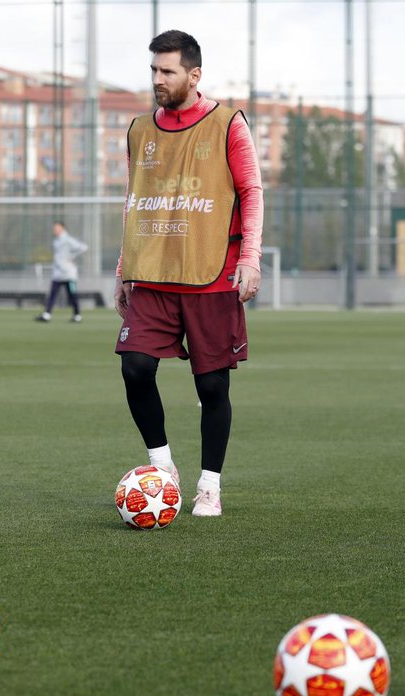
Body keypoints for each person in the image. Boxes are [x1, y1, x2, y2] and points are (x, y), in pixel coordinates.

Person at [113, 30, 263, 518]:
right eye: (153, 70)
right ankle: (162, 467)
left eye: (167, 71)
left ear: (194, 75)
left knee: (212, 386)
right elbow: (135, 201)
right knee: (134, 366)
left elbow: (252, 192)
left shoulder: (228, 124)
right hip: (153, 270)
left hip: (211, 272)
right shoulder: (139, 130)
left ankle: (210, 486)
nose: (157, 79)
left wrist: (250, 258)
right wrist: (123, 267)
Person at [37, 221, 88, 323]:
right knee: (52, 294)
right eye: (54, 228)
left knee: (72, 295)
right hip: (57, 274)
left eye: (57, 228)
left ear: (62, 228)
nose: (55, 230)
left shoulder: (67, 240)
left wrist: (71, 257)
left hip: (68, 274)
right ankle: (47, 314)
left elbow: (83, 248)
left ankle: (77, 315)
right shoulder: (56, 241)